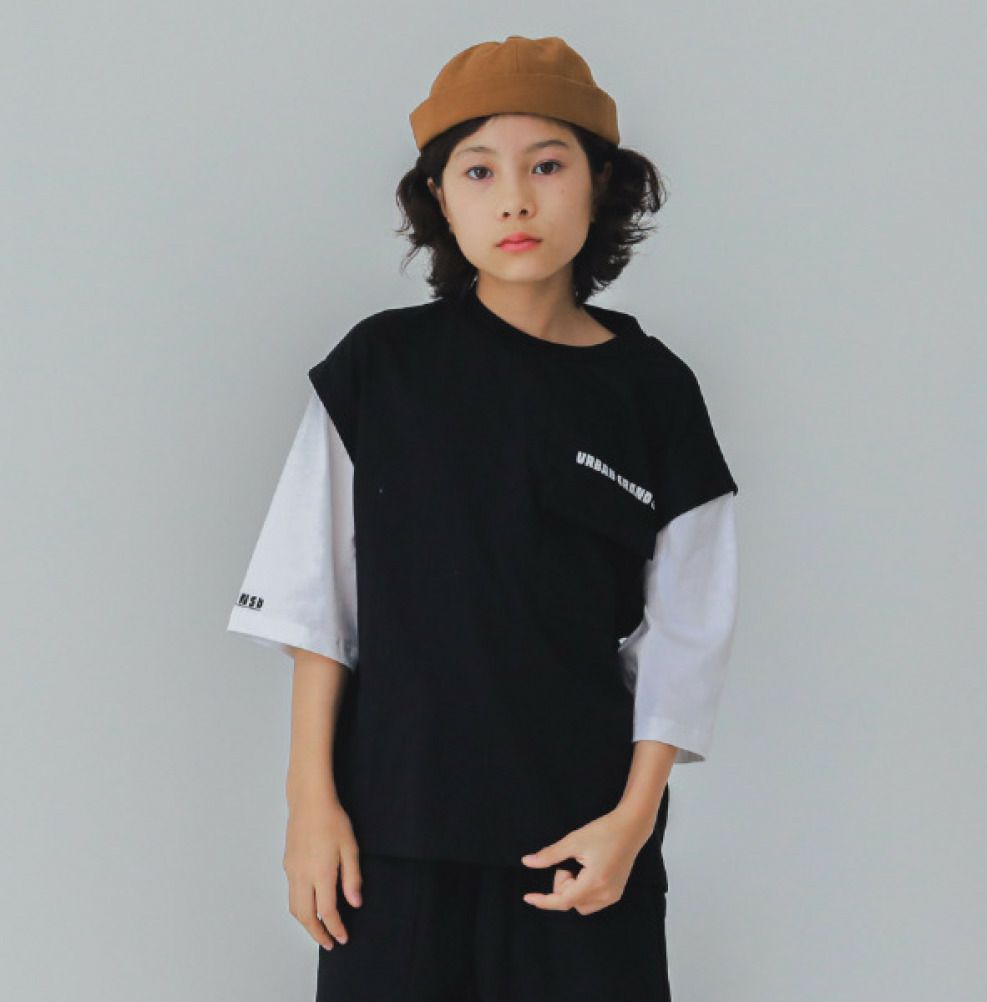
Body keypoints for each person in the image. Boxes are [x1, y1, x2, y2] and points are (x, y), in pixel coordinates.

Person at [227, 34, 739, 1002]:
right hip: (390, 848)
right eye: (478, 170)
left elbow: (686, 638)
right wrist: (309, 808)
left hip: (582, 852)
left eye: (547, 165)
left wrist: (631, 825)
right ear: (440, 197)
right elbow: (317, 613)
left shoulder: (655, 395)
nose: (514, 200)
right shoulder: (379, 372)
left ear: (600, 184)